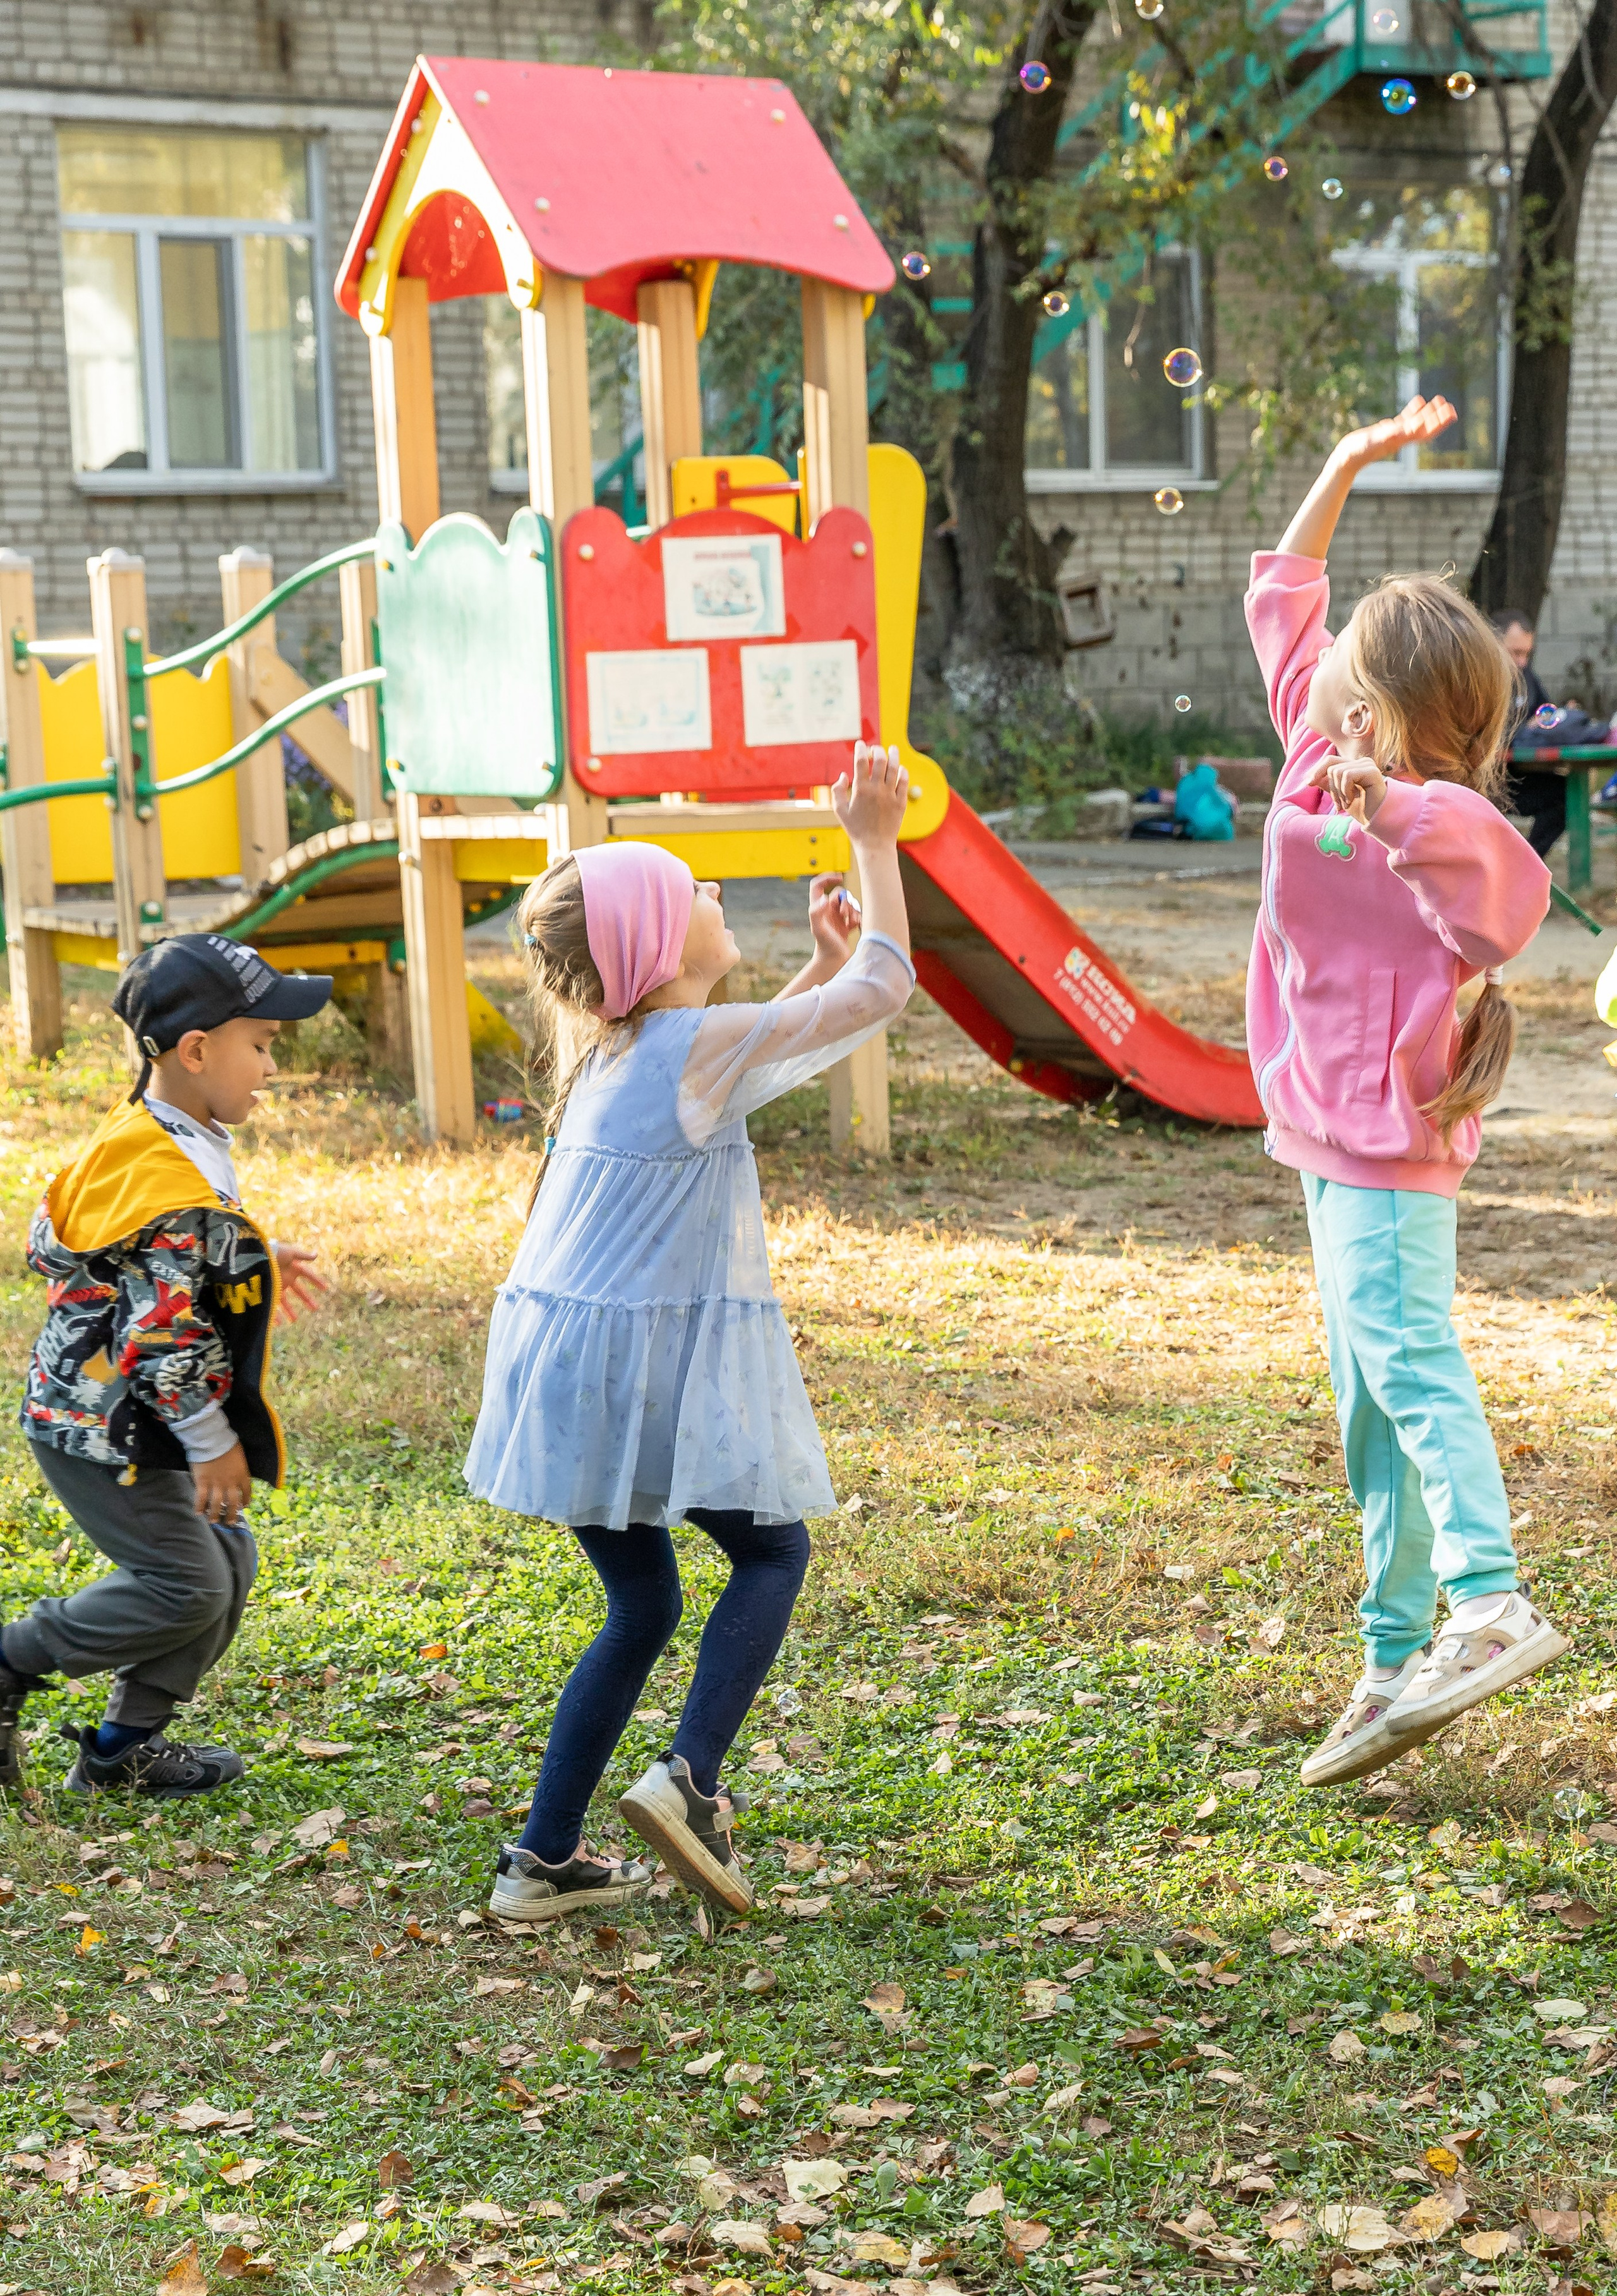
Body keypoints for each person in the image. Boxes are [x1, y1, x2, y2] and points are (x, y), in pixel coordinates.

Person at [466, 743, 915, 1924]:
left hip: (562, 1381)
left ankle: (541, 1862)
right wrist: (875, 838)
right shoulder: (687, 1050)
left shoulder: (624, 1049)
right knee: (773, 1555)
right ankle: (687, 1782)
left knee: (645, 1603)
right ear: (661, 949)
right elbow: (884, 995)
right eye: (698, 892)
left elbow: (781, 1042)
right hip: (628, 1382)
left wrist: (818, 964)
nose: (717, 897)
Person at [1245, 396, 1567, 1792]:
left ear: (1372, 712)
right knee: (1363, 1404)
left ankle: (1486, 1599)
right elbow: (1282, 591)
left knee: (1407, 1358)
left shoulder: (1440, 826)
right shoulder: (1317, 756)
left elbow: (1508, 910)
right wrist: (1340, 465)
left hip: (1385, 1149)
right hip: (1326, 1142)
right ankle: (1388, 1656)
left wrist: (1395, 811)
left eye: (1335, 673)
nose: (1303, 667)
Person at [0, 937, 330, 1797]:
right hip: (103, 1426)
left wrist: (248, 1256)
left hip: (120, 1413)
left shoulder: (161, 1132)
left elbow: (156, 1263)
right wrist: (214, 1443)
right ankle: (9, 1663)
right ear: (196, 1051)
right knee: (187, 1587)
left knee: (227, 1561)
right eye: (260, 1044)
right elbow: (162, 1338)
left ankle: (121, 1747)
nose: (270, 1065)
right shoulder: (170, 1173)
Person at [1493, 609, 1617, 859]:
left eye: (1527, 653)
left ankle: (1528, 865)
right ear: (1493, 644)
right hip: (1485, 780)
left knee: (1565, 795)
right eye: (1515, 652)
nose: (1522, 661)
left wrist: (1561, 717)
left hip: (1519, 775)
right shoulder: (1480, 680)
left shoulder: (1525, 676)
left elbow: (1544, 715)